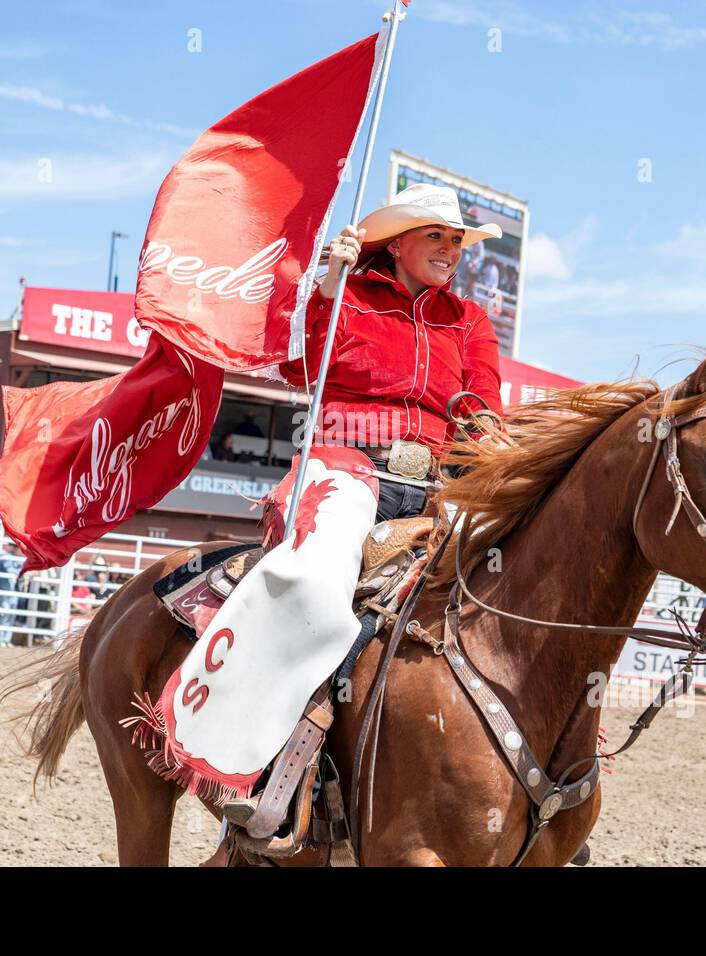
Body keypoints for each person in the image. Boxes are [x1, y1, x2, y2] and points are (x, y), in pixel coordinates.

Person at [139, 182, 505, 807]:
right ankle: (264, 759)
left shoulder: (468, 320)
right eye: (436, 236)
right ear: (395, 245)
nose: (451, 250)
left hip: (440, 482)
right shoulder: (346, 296)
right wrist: (326, 293)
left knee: (519, 579)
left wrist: (492, 452)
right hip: (346, 463)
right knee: (313, 582)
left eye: (456, 240)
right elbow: (297, 367)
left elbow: (484, 405)